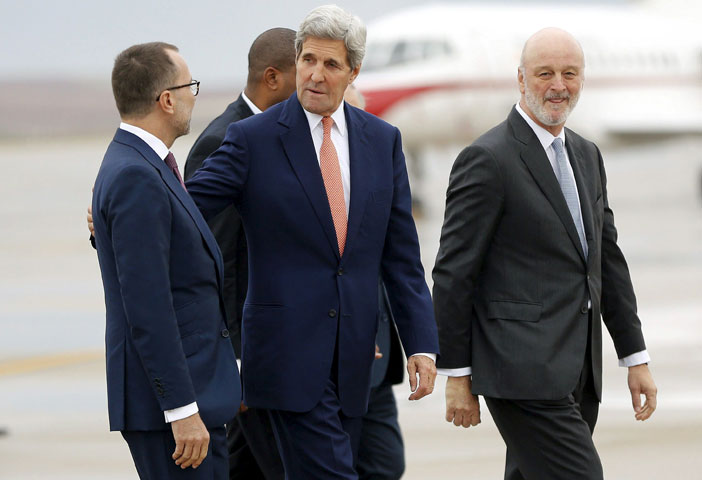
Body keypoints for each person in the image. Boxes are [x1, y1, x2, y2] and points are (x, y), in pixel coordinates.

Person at [185, 5, 440, 479]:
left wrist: (421, 342)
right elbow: (186, 209)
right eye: (307, 60)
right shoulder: (252, 138)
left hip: (355, 360)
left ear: (353, 72)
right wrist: (121, 211)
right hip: (284, 358)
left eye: (330, 65)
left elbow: (402, 257)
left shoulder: (382, 141)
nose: (315, 75)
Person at [433, 27, 658, 480]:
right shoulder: (488, 158)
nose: (558, 85)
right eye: (545, 73)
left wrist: (635, 357)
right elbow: (453, 274)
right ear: (520, 79)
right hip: (520, 371)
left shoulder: (586, 154)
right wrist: (457, 373)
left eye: (569, 74)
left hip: (578, 369)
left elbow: (605, 263)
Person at [91, 42, 241, 479]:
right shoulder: (137, 175)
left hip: (193, 399)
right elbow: (148, 307)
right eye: (189, 85)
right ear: (167, 99)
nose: (195, 95)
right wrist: (181, 409)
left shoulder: (146, 166)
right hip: (173, 413)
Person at [183, 27, 296, 480]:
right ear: (272, 78)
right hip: (248, 350)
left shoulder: (276, 132)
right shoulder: (225, 138)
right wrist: (236, 358)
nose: (312, 81)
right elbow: (220, 259)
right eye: (301, 70)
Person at [344, 84, 406, 480]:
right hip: (326, 366)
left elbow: (402, 264)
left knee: (386, 465)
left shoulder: (374, 169)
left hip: (377, 362)